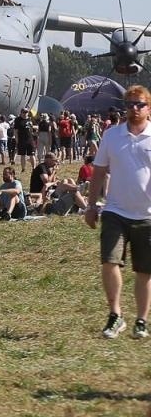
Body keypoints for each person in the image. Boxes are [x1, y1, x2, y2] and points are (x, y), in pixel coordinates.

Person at [85, 85, 151, 340]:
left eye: (140, 104)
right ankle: (115, 315)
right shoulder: (112, 136)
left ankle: (142, 320)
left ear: (148, 108)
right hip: (115, 211)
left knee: (144, 271)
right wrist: (91, 206)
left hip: (146, 214)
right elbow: (99, 171)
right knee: (109, 261)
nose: (134, 109)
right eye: (130, 104)